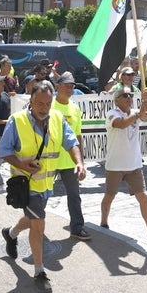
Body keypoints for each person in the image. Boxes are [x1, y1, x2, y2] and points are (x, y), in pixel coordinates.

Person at [0, 80, 83, 293]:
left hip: (46, 183)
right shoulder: (16, 121)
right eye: (39, 103)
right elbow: (5, 151)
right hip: (26, 185)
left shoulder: (57, 118)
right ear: (31, 100)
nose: (44, 108)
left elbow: (71, 141)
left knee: (33, 218)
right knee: (38, 225)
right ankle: (39, 272)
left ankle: (11, 233)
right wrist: (22, 164)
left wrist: (79, 162)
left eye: (48, 103)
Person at [101, 86, 147, 247]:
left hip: (133, 164)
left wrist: (146, 101)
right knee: (109, 196)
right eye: (124, 95)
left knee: (143, 198)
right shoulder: (112, 114)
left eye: (130, 95)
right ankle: (103, 222)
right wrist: (138, 113)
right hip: (115, 165)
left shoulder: (133, 112)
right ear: (117, 100)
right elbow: (121, 124)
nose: (128, 97)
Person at [52, 72, 90, 240]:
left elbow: (78, 135)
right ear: (57, 86)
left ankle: (77, 227)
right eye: (66, 85)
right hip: (49, 160)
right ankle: (34, 224)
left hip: (69, 161)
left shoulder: (75, 108)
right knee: (40, 196)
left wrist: (80, 161)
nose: (70, 88)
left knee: (74, 196)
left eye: (72, 86)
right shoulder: (48, 105)